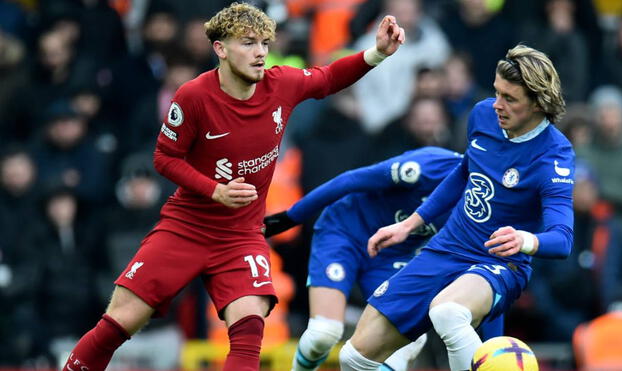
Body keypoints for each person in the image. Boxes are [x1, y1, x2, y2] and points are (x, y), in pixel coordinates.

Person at [62, 3, 405, 371]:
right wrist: (214, 190)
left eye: (264, 43)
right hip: (187, 227)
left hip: (241, 235)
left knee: (248, 332)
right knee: (118, 324)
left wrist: (376, 53)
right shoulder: (193, 96)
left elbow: (327, 77)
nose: (260, 52)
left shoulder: (281, 84)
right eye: (248, 43)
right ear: (220, 49)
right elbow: (164, 158)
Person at [339, 44, 574, 371]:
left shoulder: (554, 157)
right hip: (447, 247)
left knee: (448, 312)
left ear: (538, 104)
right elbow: (464, 172)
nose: (498, 105)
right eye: (497, 92)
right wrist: (408, 224)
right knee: (353, 358)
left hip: (500, 263)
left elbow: (562, 238)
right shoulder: (482, 115)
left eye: (510, 98)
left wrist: (525, 240)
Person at [264, 146, 504, 371]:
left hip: (393, 254)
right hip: (345, 232)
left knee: (411, 337)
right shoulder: (430, 166)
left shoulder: (489, 210)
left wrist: (494, 347)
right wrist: (290, 218)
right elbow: (350, 180)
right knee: (323, 333)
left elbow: (490, 280)